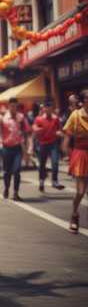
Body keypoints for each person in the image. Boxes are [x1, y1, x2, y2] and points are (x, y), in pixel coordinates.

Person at [0, 97, 30, 201]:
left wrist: (27, 147)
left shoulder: (21, 117)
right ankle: (6, 188)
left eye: (15, 106)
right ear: (9, 106)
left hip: (17, 147)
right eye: (12, 106)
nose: (14, 108)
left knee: (17, 170)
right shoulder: (2, 118)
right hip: (6, 148)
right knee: (6, 172)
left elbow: (27, 131)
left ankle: (16, 193)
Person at [63, 90, 88, 233]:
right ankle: (74, 214)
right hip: (80, 154)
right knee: (80, 191)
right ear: (83, 101)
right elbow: (67, 137)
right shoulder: (76, 115)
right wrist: (68, 154)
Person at [33, 100, 65, 192]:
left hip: (53, 143)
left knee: (55, 162)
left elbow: (60, 129)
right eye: (46, 107)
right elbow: (34, 127)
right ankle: (41, 181)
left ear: (52, 108)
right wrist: (37, 129)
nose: (48, 109)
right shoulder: (39, 119)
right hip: (42, 144)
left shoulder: (56, 118)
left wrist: (59, 133)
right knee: (42, 164)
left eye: (50, 107)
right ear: (43, 109)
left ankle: (54, 181)